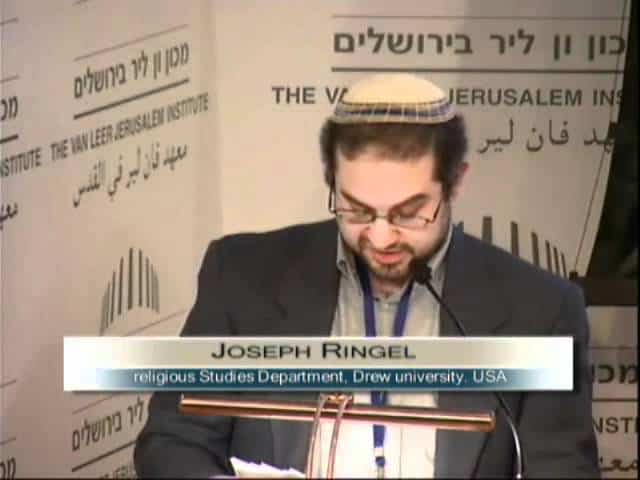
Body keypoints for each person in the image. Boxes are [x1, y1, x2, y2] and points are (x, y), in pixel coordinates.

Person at [134, 74, 600, 478]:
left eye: (409, 213)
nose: (380, 237)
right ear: (332, 182)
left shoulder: (541, 311)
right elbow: (173, 441)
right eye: (356, 210)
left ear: (456, 182)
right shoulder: (242, 277)